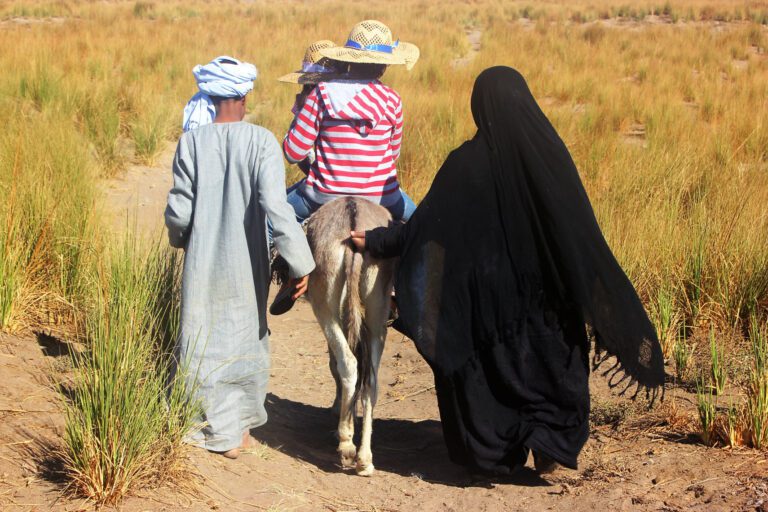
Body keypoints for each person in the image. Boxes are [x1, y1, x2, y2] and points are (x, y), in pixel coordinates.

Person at [351, 66, 665, 476]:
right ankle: (550, 441)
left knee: (482, 363)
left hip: (486, 313)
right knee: (554, 364)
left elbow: (427, 231)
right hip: (547, 312)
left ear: (480, 108)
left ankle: (495, 451)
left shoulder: (464, 166)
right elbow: (578, 233)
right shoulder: (550, 158)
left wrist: (376, 241)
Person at [166, 56, 315, 459]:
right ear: (245, 95)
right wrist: (300, 264)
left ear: (211, 95)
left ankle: (209, 427)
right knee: (245, 336)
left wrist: (181, 240)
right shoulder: (262, 141)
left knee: (201, 338)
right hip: (247, 259)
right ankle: (236, 431)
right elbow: (277, 208)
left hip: (202, 258)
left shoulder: (191, 142)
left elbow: (180, 210)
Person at [282, 20, 420, 225]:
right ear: (384, 66)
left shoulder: (321, 93)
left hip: (324, 194)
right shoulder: (393, 99)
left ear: (349, 59)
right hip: (382, 197)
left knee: (268, 220)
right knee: (421, 225)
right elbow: (393, 156)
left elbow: (293, 153)